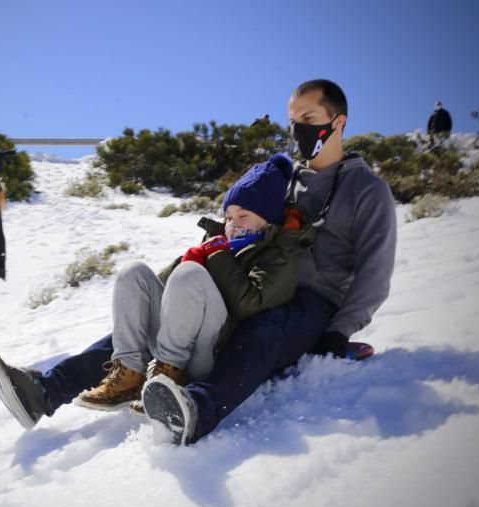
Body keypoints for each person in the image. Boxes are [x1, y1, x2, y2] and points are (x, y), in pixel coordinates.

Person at [0, 79, 397, 446]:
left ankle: (196, 410)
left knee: (264, 330)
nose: (298, 129)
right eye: (293, 120)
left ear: (338, 121)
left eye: (309, 117)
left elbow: (374, 272)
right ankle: (45, 391)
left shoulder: (366, 190)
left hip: (310, 301)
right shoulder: (285, 181)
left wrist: (338, 331)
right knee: (154, 316)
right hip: (252, 278)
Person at [71, 154, 313, 415]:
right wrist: (191, 258)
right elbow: (162, 290)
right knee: (134, 273)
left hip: (213, 353)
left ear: (269, 219)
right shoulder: (221, 245)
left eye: (242, 216)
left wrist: (215, 256)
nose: (232, 225)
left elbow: (248, 305)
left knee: (189, 274)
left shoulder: (279, 256)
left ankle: (169, 377)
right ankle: (129, 374)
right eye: (228, 217)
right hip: (174, 342)